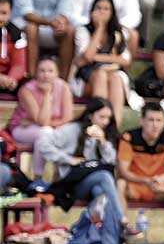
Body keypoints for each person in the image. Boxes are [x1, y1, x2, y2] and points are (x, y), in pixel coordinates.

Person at [37, 97, 127, 230]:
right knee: (104, 176)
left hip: (94, 184)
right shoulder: (72, 130)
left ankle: (103, 238)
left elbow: (111, 162)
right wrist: (68, 159)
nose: (105, 122)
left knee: (100, 192)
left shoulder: (107, 133)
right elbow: (43, 144)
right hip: (72, 185)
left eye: (108, 118)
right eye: (101, 117)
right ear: (90, 116)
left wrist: (102, 142)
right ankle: (123, 221)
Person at [116, 103, 164, 244]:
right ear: (142, 121)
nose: (155, 125)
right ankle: (124, 232)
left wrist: (162, 179)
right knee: (120, 184)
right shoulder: (129, 138)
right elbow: (123, 170)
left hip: (158, 188)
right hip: (136, 186)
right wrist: (145, 180)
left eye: (159, 120)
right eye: (151, 120)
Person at [6, 57, 71, 177]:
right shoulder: (27, 90)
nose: (46, 75)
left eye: (50, 71)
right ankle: (39, 177)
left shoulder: (63, 87)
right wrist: (47, 95)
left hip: (49, 129)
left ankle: (55, 178)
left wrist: (44, 124)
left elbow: (67, 117)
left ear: (57, 73)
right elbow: (42, 121)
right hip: (21, 130)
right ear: (36, 72)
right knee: (45, 133)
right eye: (42, 71)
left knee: (50, 134)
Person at [72, 0, 131, 115]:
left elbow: (126, 59)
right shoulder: (83, 31)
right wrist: (100, 28)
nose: (102, 12)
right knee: (100, 75)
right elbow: (87, 56)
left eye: (106, 9)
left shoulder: (120, 33)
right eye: (98, 8)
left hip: (113, 75)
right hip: (87, 78)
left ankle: (113, 127)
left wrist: (97, 57)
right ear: (92, 11)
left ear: (112, 12)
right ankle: (98, 122)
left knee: (115, 77)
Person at [0, 0, 28, 91]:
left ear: (10, 13)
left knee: (29, 85)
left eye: (4, 13)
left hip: (7, 78)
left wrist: (12, 79)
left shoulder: (17, 34)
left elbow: (19, 64)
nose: (0, 17)